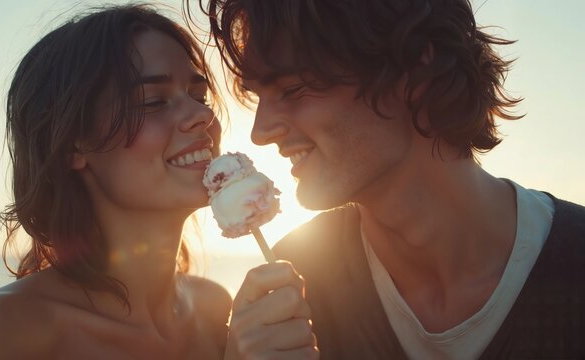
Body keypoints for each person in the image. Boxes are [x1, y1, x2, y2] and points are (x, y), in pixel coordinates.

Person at [200, 0, 585, 358]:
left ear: (415, 70)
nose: (260, 132)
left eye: (292, 89)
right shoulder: (291, 283)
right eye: (258, 97)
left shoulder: (573, 261)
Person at [0, 4, 317, 359]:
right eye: (154, 101)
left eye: (198, 94)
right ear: (73, 144)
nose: (202, 114)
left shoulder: (216, 308)